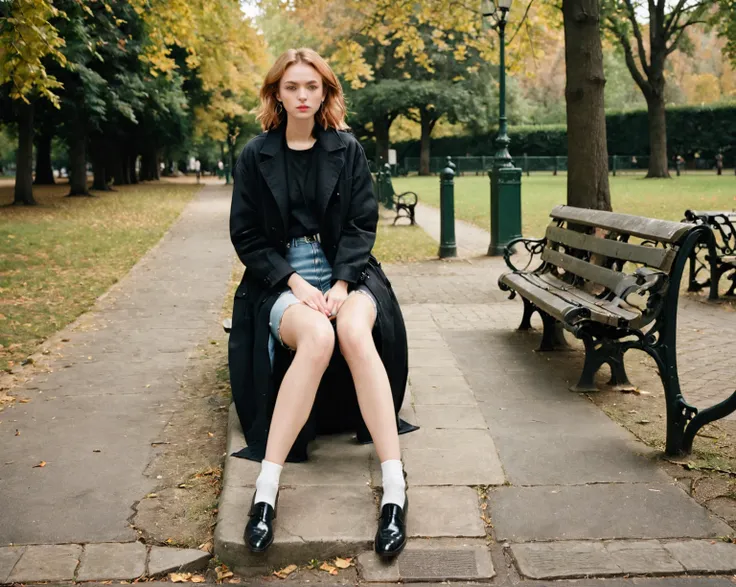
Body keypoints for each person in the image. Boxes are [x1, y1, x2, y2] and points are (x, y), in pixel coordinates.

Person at [229, 48, 414, 558]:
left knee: (351, 331)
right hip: (278, 279)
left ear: (326, 92)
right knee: (317, 336)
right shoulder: (254, 154)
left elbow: (361, 224)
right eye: (292, 87)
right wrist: (293, 282)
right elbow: (245, 235)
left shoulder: (347, 150)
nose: (303, 95)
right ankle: (266, 490)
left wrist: (340, 283)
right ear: (277, 94)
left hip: (348, 272)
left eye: (312, 86)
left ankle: (394, 488)